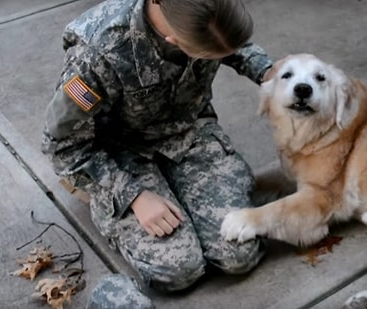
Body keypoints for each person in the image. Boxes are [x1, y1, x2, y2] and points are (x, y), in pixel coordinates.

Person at [41, 0, 274, 305]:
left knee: (238, 253)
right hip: (120, 155)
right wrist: (133, 196)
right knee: (178, 271)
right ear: (174, 42)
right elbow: (62, 146)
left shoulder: (208, 11)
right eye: (204, 56)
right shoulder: (98, 53)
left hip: (188, 133)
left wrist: (269, 71)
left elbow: (227, 41)